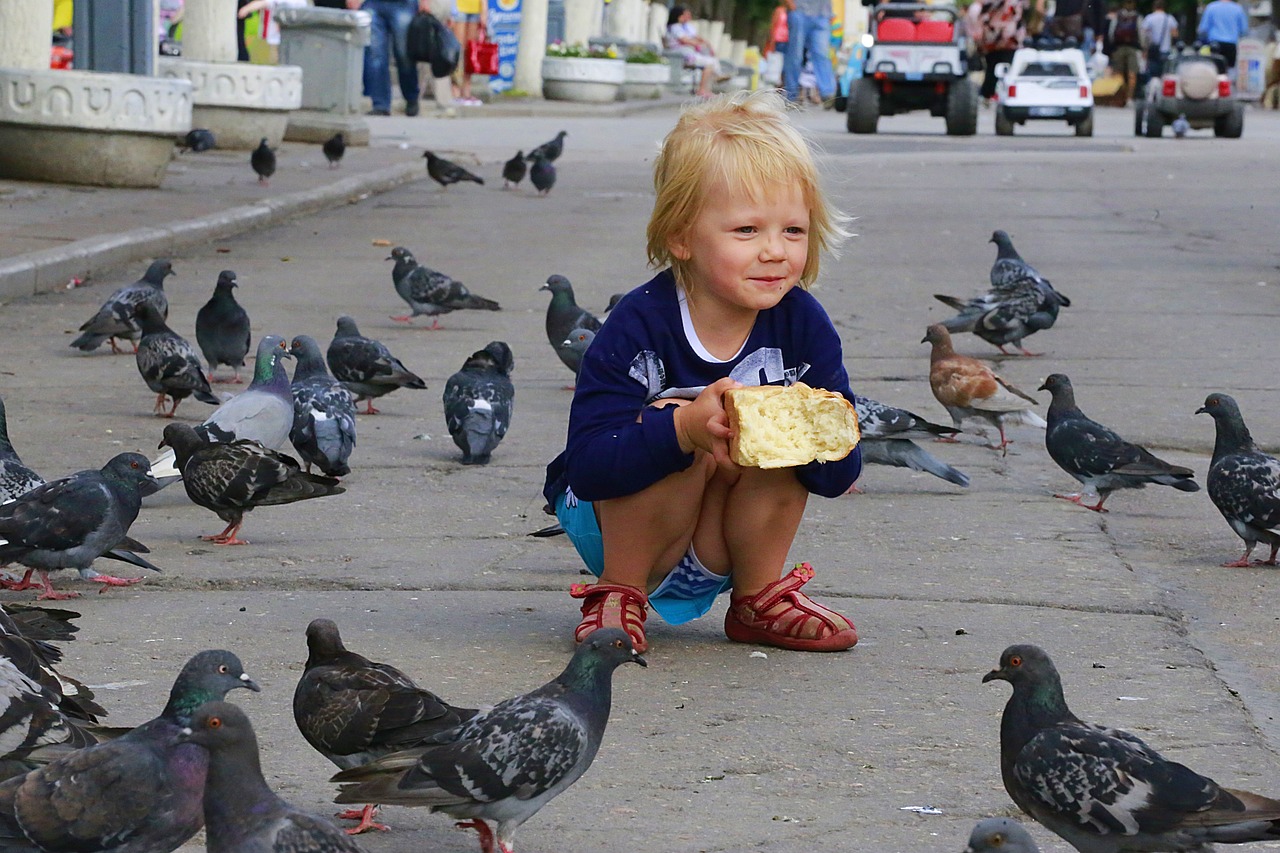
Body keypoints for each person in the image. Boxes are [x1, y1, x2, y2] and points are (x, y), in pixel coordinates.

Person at [541, 90, 861, 656]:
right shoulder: (640, 323)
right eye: (746, 231)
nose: (775, 252)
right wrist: (683, 430)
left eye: (793, 230)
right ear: (681, 236)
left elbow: (838, 478)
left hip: (721, 536)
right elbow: (587, 466)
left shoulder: (802, 323)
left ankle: (758, 595)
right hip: (620, 522)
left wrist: (819, 435)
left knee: (781, 427)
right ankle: (620, 590)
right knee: (671, 418)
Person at [348, 0, 421, 116]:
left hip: (404, 4)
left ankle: (411, 97)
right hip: (372, 4)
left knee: (404, 53)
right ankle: (380, 104)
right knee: (374, 55)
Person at [666, 5, 726, 98]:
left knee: (711, 62)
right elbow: (684, 40)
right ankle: (707, 86)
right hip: (682, 56)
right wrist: (698, 44)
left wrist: (703, 43)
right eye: (684, 15)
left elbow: (693, 38)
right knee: (710, 63)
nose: (686, 17)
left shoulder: (681, 27)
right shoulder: (675, 27)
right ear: (678, 16)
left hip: (685, 54)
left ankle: (708, 87)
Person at [783, 0, 836, 104]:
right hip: (799, 11)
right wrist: (789, 3)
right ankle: (792, 95)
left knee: (822, 55)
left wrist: (829, 11)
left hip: (822, 14)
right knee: (795, 56)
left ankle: (827, 94)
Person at [976, 0, 1031, 100]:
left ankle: (990, 94)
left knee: (994, 68)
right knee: (1003, 69)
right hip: (1004, 38)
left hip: (999, 38)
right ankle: (993, 94)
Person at [1197, 0, 1248, 78]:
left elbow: (1203, 29)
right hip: (1231, 44)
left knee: (1214, 68)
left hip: (1214, 44)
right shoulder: (1238, 9)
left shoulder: (1211, 7)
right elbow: (1244, 30)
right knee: (1230, 70)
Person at [451, 0, 488, 105]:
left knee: (471, 52)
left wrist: (484, 9)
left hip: (475, 8)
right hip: (458, 8)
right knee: (457, 50)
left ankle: (466, 89)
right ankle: (455, 88)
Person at [1107, 0, 1142, 104]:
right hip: (1132, 48)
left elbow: (1111, 32)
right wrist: (1142, 47)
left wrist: (1112, 46)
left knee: (1118, 74)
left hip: (1119, 47)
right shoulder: (1137, 17)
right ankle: (1129, 96)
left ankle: (1119, 97)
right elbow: (1141, 33)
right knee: (1132, 74)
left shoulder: (1117, 16)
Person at [1141, 0, 1178, 78]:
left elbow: (1143, 34)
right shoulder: (1170, 18)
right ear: (1164, 7)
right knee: (1165, 74)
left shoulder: (1149, 18)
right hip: (1165, 50)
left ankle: (1151, 88)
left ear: (1154, 7)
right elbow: (1175, 34)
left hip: (1152, 51)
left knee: (1151, 74)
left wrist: (1144, 49)